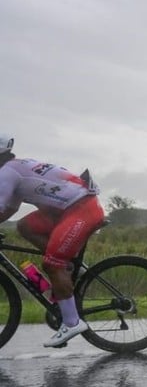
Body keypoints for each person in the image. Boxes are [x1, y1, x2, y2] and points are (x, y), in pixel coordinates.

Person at [0, 135, 105, 347]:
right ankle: (68, 266)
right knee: (24, 226)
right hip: (67, 210)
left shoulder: (7, 172)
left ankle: (72, 322)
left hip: (82, 209)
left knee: (51, 263)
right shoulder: (15, 167)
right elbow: (9, 209)